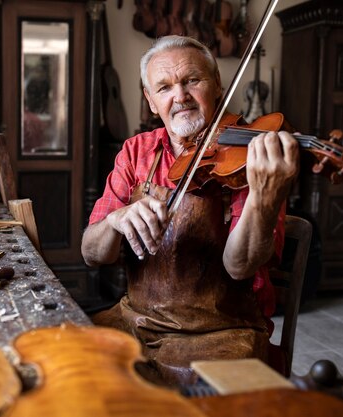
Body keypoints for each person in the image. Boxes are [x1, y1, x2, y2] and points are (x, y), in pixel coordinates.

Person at [81, 35, 299, 386]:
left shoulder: (250, 155)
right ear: (151, 102)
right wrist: (114, 220)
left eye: (192, 81)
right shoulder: (136, 152)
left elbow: (240, 266)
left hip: (222, 332)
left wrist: (264, 196)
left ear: (218, 87)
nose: (179, 96)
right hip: (134, 320)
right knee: (68, 370)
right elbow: (92, 254)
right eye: (164, 87)